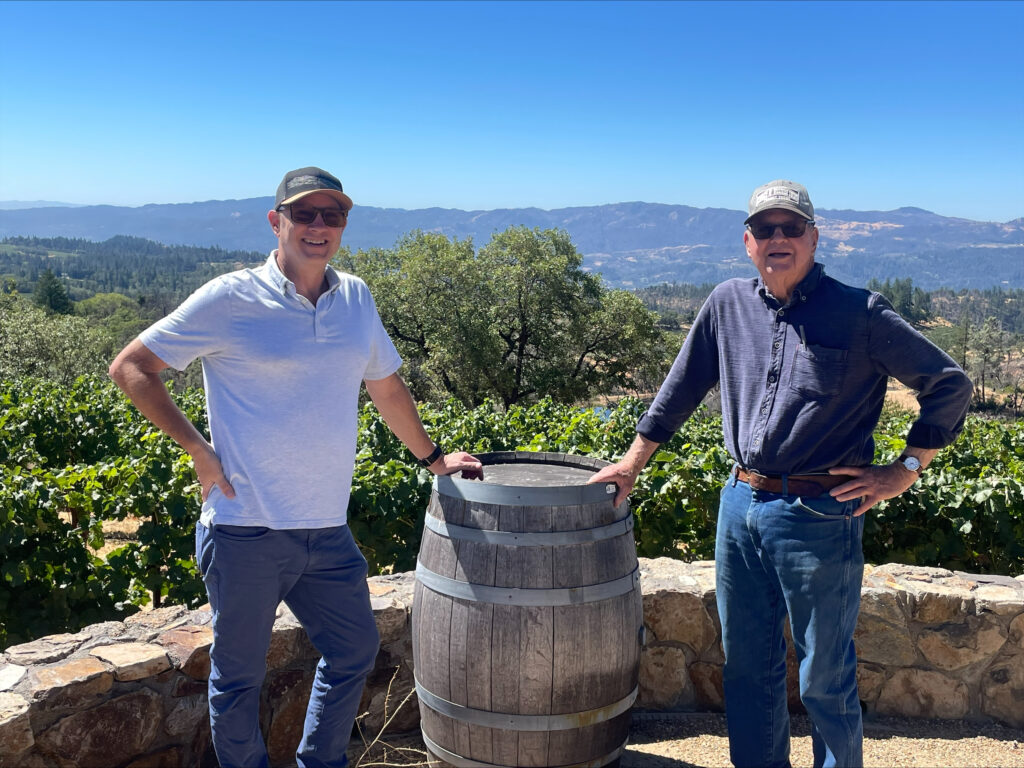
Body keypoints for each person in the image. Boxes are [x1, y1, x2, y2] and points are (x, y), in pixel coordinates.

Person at [589, 180, 973, 768]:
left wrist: (903, 470)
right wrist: (633, 463)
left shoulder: (860, 313)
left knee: (823, 672)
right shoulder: (725, 304)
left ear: (814, 238)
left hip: (820, 513)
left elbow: (949, 386)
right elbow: (679, 392)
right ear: (747, 242)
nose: (778, 239)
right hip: (740, 506)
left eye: (791, 228)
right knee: (746, 667)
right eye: (764, 229)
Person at [109, 166, 483, 768]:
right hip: (244, 528)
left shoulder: (355, 297)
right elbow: (131, 367)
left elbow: (386, 389)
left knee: (355, 650)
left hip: (326, 530)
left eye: (331, 215)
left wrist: (434, 458)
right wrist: (200, 453)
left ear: (343, 226)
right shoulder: (230, 297)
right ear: (276, 221)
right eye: (304, 214)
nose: (317, 226)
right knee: (237, 680)